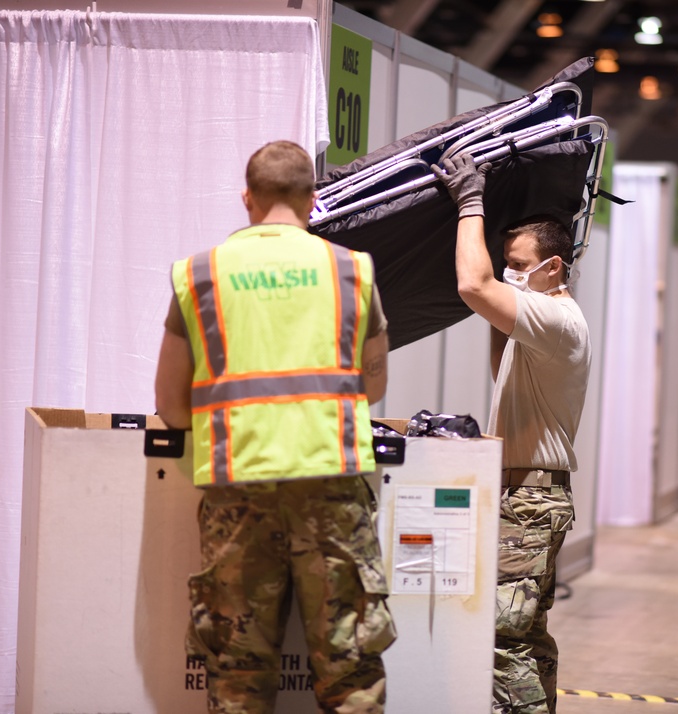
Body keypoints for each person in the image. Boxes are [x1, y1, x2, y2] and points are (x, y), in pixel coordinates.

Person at [154, 140, 396, 714]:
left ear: (247, 198)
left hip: (238, 489)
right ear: (313, 200)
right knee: (351, 670)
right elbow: (374, 386)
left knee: (238, 673)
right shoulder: (352, 271)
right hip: (332, 487)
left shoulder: (200, 274)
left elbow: (170, 403)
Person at [433, 153, 591, 714]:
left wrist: (470, 202)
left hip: (530, 500)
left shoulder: (557, 319)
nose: (509, 275)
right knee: (525, 635)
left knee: (502, 638)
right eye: (507, 264)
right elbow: (498, 340)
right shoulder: (541, 323)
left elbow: (473, 286)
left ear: (554, 268)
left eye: (519, 265)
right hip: (530, 496)